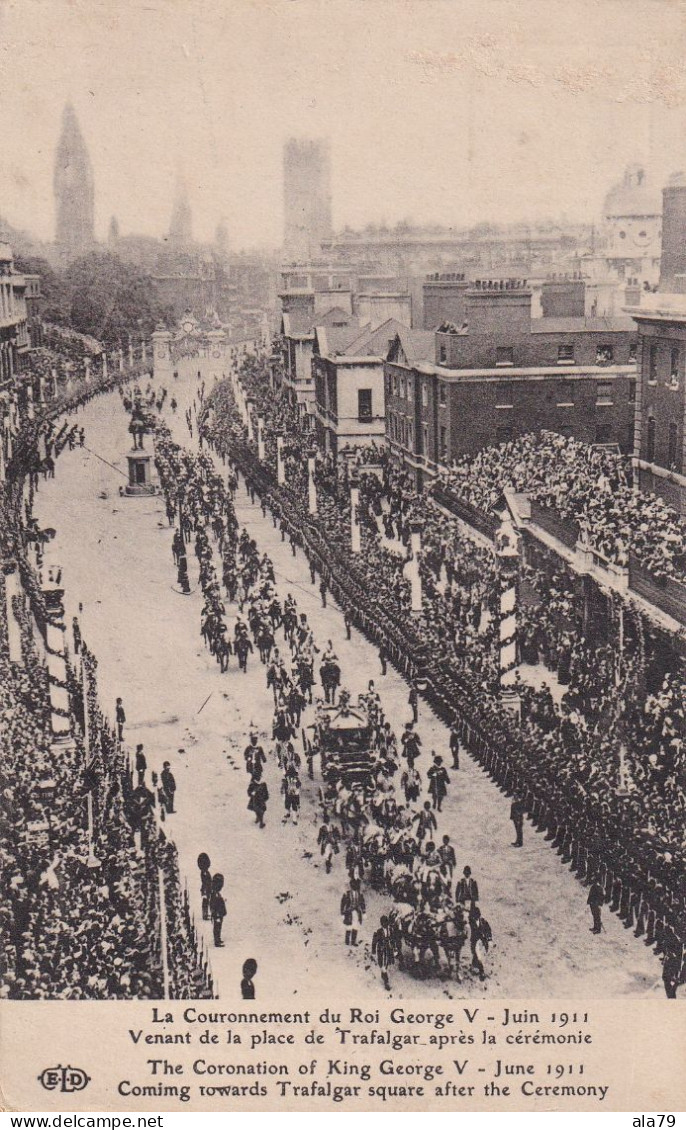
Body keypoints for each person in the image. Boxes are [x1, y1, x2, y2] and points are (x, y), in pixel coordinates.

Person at [371, 915, 395, 991]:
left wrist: (394, 948)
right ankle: (386, 982)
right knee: (382, 966)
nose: (385, 924)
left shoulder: (390, 930)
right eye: (384, 923)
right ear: (381, 923)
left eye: (386, 923)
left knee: (386, 965)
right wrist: (373, 951)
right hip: (381, 951)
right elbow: (374, 942)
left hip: (388, 950)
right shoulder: (378, 931)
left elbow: (392, 940)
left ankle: (383, 975)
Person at [469, 905, 491, 981]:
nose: (475, 917)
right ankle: (480, 971)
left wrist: (489, 939)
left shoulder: (483, 922)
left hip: (482, 942)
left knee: (478, 956)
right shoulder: (471, 922)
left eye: (476, 915)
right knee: (477, 956)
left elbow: (488, 930)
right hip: (475, 942)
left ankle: (476, 968)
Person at [340, 879, 366, 947]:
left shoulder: (359, 894)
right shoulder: (347, 894)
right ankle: (347, 941)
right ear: (351, 886)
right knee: (349, 927)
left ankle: (353, 941)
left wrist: (363, 912)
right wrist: (342, 913)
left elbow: (362, 903)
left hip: (356, 913)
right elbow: (343, 904)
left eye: (356, 885)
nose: (354, 886)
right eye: (353, 885)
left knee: (356, 926)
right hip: (349, 913)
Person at [210, 876, 227, 948]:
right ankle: (217, 941)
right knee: (217, 927)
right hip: (217, 913)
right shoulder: (215, 894)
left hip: (219, 913)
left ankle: (218, 939)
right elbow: (213, 904)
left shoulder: (216, 893)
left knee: (218, 927)